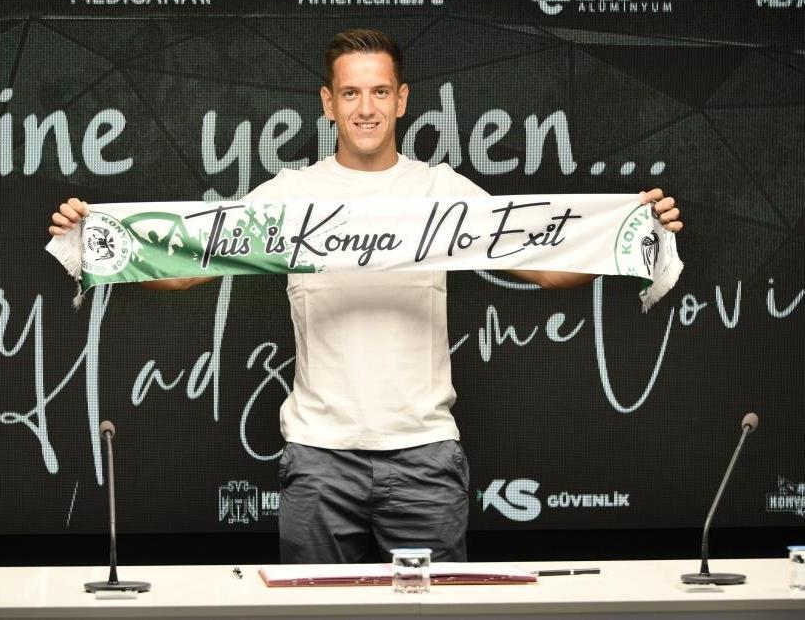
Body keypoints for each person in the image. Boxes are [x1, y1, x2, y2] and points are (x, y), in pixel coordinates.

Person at [49, 28, 683, 564]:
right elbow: (187, 268)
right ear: (328, 103)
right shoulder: (289, 197)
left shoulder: (442, 192)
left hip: (426, 457)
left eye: (380, 91)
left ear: (401, 100)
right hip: (319, 460)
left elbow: (544, 269)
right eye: (350, 93)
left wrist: (631, 236)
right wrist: (96, 241)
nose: (366, 108)